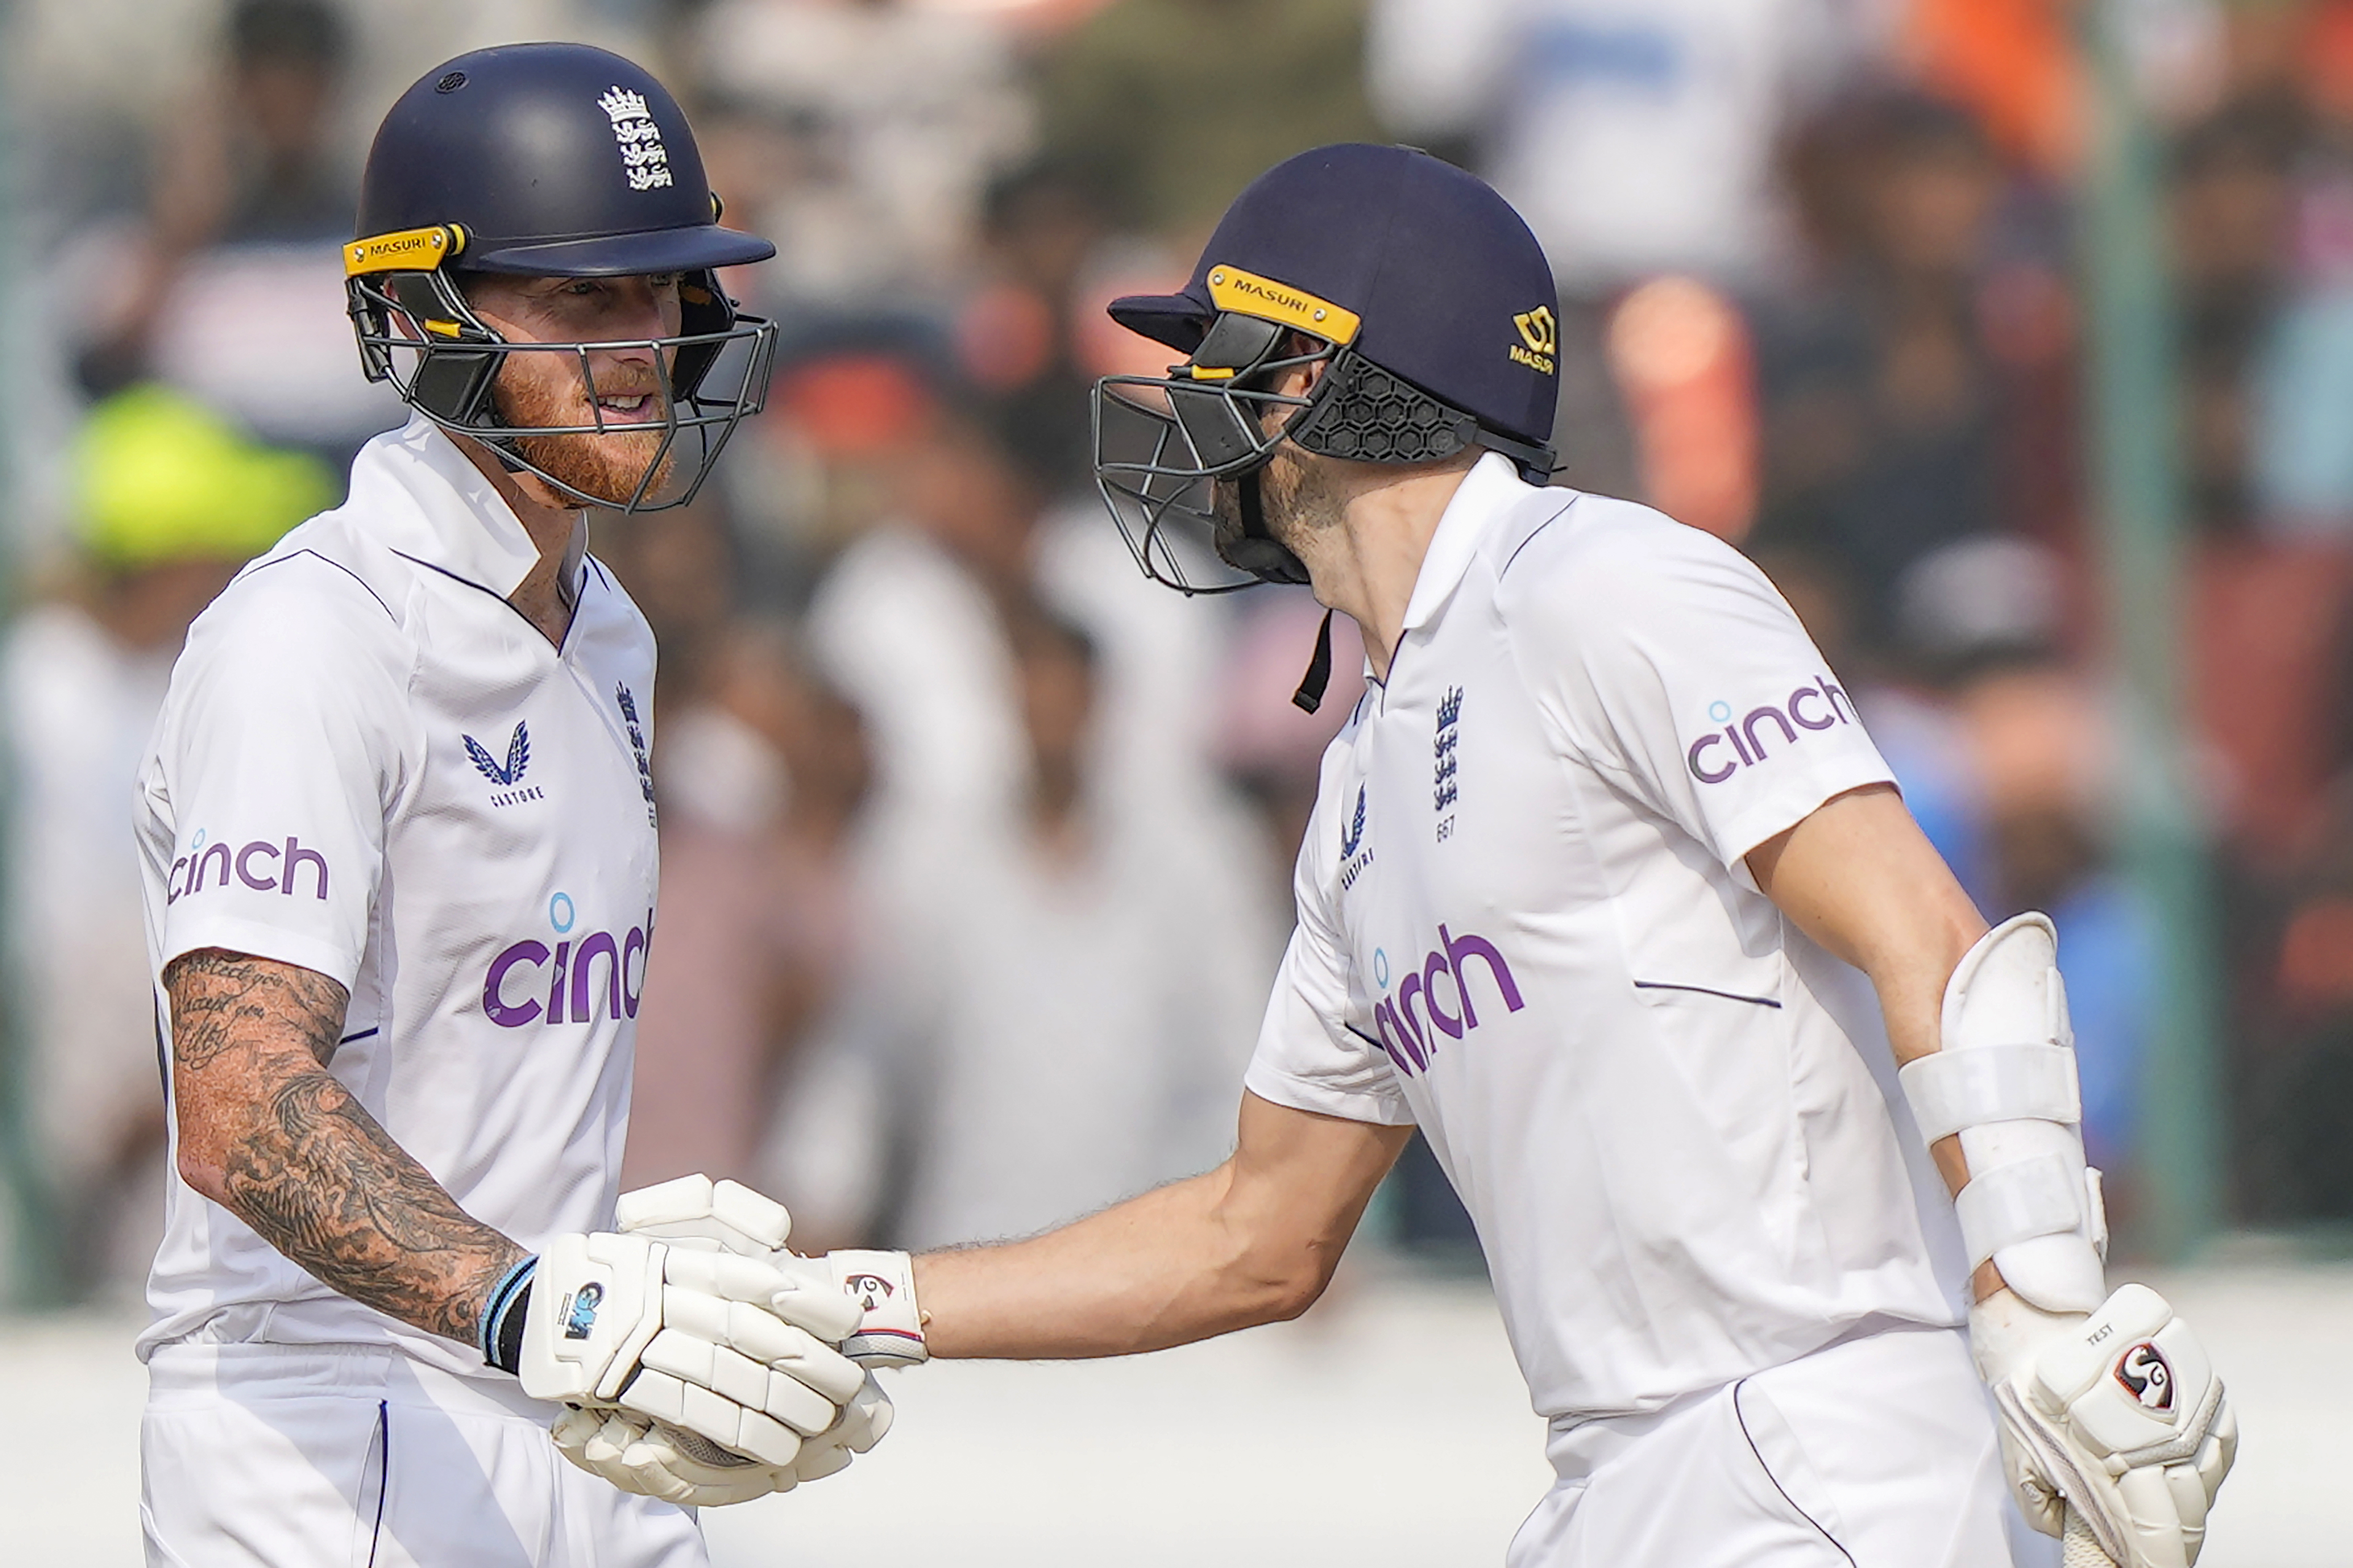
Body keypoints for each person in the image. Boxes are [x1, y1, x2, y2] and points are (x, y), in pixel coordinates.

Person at [761, 146, 2236, 1565]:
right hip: (1618, 1474)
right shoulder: (1358, 782)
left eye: (1222, 353)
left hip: (1837, 1440)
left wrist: (2040, 1309)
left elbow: (1935, 943)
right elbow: (1253, 1235)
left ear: (1324, 375)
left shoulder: (1610, 582)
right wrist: (835, 1302)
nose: (1189, 399)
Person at [134, 44, 887, 1565]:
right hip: (326, 1437)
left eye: (668, 293)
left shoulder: (608, 627)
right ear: (421, 316)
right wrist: (545, 1303)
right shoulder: (314, 638)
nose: (646, 348)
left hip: (564, 1414)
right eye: (583, 300)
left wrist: (597, 1296)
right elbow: (238, 1110)